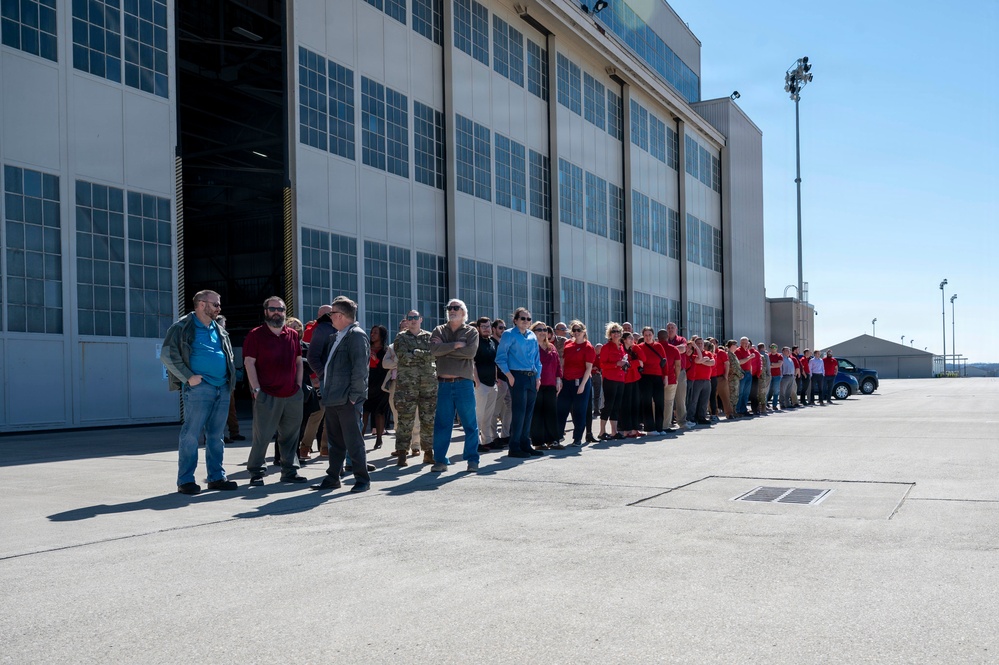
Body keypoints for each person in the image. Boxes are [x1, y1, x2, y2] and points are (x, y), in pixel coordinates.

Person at [161, 290, 238, 494]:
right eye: (215, 305)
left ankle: (216, 477)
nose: (219, 309)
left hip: (222, 387)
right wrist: (188, 377)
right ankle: (185, 481)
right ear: (201, 304)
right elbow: (167, 354)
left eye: (219, 305)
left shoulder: (219, 329)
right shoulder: (182, 327)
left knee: (216, 436)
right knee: (191, 435)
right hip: (199, 388)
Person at [244, 297, 307, 486]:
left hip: (291, 395)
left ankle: (289, 471)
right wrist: (256, 389)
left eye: (280, 309)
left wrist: (298, 387)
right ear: (265, 312)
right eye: (273, 309)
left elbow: (298, 362)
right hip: (267, 395)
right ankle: (256, 471)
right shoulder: (255, 335)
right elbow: (249, 362)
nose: (277, 312)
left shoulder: (293, 335)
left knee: (290, 436)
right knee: (262, 436)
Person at [312, 297, 371, 492]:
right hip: (334, 397)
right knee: (335, 442)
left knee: (353, 441)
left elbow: (361, 369)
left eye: (332, 314)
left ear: (341, 316)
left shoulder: (356, 336)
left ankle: (362, 479)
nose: (330, 318)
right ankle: (332, 478)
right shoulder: (338, 336)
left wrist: (354, 396)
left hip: (347, 398)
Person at [429, 299, 480, 473]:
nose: (452, 310)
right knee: (442, 424)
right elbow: (434, 351)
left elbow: (470, 352)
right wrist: (456, 345)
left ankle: (472, 459)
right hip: (443, 384)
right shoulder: (439, 330)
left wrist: (445, 349)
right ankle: (440, 461)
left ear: (464, 312)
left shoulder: (471, 331)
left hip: (463, 383)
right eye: (449, 308)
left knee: (469, 423)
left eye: (456, 308)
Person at [495, 307, 543, 459]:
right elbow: (500, 358)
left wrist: (537, 377)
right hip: (517, 376)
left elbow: (537, 359)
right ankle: (514, 446)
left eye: (529, 319)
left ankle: (525, 444)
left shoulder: (532, 336)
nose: (526, 321)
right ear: (515, 320)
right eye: (523, 318)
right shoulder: (509, 334)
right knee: (519, 412)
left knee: (528, 413)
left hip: (531, 376)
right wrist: (509, 376)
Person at [392, 310, 437, 466]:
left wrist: (415, 353)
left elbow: (434, 355)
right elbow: (403, 356)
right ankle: (402, 454)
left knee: (428, 420)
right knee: (405, 420)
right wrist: (423, 355)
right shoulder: (401, 337)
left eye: (415, 318)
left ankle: (428, 453)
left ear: (421, 319)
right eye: (409, 318)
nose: (412, 321)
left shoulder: (430, 337)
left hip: (428, 385)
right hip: (407, 386)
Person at [557, 320, 595, 446]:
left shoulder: (588, 347)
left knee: (579, 411)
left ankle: (577, 438)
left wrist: (583, 385)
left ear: (584, 331)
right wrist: (560, 379)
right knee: (562, 409)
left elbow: (588, 367)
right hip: (566, 381)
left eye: (579, 330)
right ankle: (558, 437)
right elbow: (563, 362)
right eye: (574, 330)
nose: (576, 332)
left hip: (581, 381)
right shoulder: (568, 344)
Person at [531, 322, 563, 450]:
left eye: (544, 329)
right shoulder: (531, 346)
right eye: (539, 329)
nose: (542, 332)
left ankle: (553, 440)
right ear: (533, 331)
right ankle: (539, 442)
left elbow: (557, 365)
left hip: (550, 383)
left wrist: (558, 380)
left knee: (551, 412)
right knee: (538, 413)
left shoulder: (551, 347)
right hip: (536, 384)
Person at [215, 314, 246, 445]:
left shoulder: (225, 338)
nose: (224, 326)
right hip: (217, 379)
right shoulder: (213, 338)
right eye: (223, 324)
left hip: (228, 379)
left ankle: (234, 432)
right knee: (217, 410)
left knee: (231, 408)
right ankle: (217, 435)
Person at [472, 316, 499, 453]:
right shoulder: (475, 342)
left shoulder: (492, 342)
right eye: (483, 327)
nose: (486, 329)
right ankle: (475, 443)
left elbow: (494, 362)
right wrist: (476, 381)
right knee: (478, 415)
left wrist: (495, 380)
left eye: (488, 326)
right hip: (480, 384)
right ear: (478, 328)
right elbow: (472, 363)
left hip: (492, 384)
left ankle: (487, 440)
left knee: (488, 415)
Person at [598, 323, 627, 440]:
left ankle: (614, 432)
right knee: (608, 405)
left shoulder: (621, 347)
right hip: (610, 379)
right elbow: (602, 364)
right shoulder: (606, 347)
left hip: (620, 378)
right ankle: (601, 432)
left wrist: (625, 364)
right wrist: (616, 364)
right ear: (609, 334)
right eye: (613, 332)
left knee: (616, 405)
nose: (616, 334)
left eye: (618, 332)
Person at [364, 324, 390, 450]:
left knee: (379, 412)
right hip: (367, 383)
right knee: (364, 412)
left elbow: (386, 368)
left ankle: (379, 439)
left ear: (381, 336)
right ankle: (359, 439)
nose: (372, 334)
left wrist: (376, 359)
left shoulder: (385, 351)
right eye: (372, 332)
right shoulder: (366, 347)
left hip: (380, 385)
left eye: (375, 332)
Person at [638, 326, 667, 434]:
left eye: (650, 335)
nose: (648, 337)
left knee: (659, 402)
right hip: (645, 377)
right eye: (645, 335)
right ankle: (649, 428)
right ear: (643, 336)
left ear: (653, 335)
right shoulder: (639, 347)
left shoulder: (659, 346)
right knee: (646, 402)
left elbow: (665, 362)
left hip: (658, 376)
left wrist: (666, 377)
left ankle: (659, 427)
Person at [490, 318, 512, 450]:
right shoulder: (491, 343)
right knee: (494, 411)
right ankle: (493, 437)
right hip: (498, 381)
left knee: (510, 407)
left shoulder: (504, 343)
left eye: (504, 328)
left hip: (507, 380)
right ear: (494, 329)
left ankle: (506, 435)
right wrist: (496, 378)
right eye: (500, 328)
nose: (503, 330)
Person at [619, 331, 645, 437]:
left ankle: (634, 429)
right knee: (627, 405)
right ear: (624, 340)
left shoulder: (633, 350)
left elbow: (643, 358)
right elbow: (626, 365)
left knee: (635, 404)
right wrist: (637, 363)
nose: (632, 340)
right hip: (626, 380)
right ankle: (627, 430)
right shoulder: (621, 350)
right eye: (630, 338)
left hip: (635, 379)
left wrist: (635, 346)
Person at [664, 322, 688, 427]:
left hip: (680, 372)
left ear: (676, 329)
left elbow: (683, 349)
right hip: (667, 373)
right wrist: (674, 350)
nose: (670, 330)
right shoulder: (662, 339)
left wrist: (669, 350)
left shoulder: (682, 340)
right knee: (667, 400)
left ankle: (682, 422)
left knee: (680, 398)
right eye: (668, 328)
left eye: (672, 328)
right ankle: (667, 423)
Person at [687, 336, 715, 425]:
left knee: (704, 400)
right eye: (698, 343)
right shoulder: (693, 353)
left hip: (707, 380)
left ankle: (701, 417)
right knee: (694, 400)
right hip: (696, 380)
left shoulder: (708, 353)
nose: (700, 345)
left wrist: (704, 360)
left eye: (701, 343)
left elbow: (712, 362)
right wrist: (705, 360)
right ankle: (691, 417)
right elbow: (697, 361)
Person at [734, 337, 754, 415]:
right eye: (744, 343)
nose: (746, 345)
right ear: (741, 343)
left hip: (748, 373)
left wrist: (751, 372)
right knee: (740, 392)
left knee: (746, 393)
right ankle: (738, 409)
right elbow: (739, 362)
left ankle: (743, 409)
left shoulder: (748, 351)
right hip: (742, 373)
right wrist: (749, 357)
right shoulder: (738, 351)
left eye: (747, 343)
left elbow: (749, 363)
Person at [767, 344, 784, 411]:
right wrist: (774, 364)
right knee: (768, 391)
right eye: (771, 347)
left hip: (777, 376)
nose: (773, 348)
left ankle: (774, 405)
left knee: (776, 391)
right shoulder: (768, 356)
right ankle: (765, 404)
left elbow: (779, 365)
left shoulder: (779, 356)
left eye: (774, 347)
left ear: (777, 348)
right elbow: (767, 365)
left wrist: (771, 364)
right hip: (769, 375)